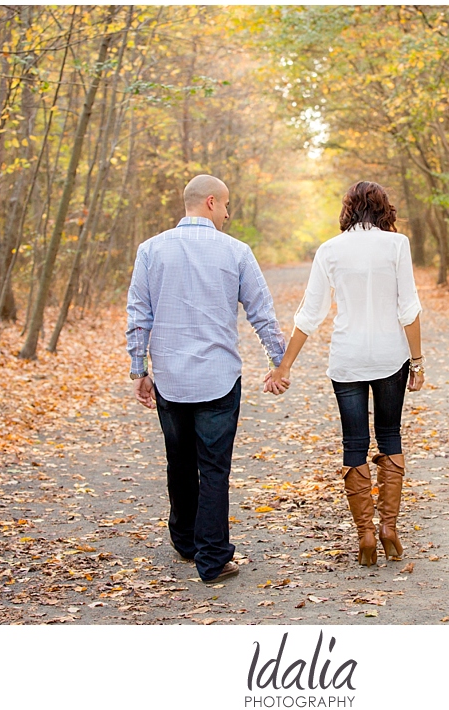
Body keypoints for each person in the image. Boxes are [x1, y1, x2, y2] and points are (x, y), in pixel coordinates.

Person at [126, 174, 287, 584]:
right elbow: (261, 312)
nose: (230, 214)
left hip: (171, 378)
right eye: (228, 205)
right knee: (214, 467)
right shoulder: (235, 252)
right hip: (217, 378)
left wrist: (138, 369)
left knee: (178, 462)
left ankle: (184, 540)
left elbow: (138, 315)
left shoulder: (150, 250)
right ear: (211, 202)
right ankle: (212, 558)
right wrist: (278, 361)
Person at [264, 181, 424, 566]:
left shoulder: (330, 250)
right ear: (384, 208)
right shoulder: (396, 245)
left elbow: (311, 312)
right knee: (389, 435)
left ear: (349, 209)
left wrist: (284, 365)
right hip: (390, 356)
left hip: (348, 359)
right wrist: (417, 361)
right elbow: (409, 308)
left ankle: (366, 535)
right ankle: (389, 527)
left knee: (354, 442)